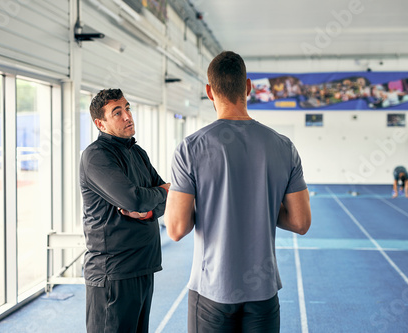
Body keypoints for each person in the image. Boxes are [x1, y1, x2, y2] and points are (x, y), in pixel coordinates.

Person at [164, 51, 311, 332]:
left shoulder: (190, 148)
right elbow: (300, 222)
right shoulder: (283, 146)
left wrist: (208, 201)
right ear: (248, 86)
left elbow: (176, 228)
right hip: (263, 291)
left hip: (212, 291)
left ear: (209, 91)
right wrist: (262, 202)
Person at [79, 88, 170, 332]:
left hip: (143, 266)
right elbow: (135, 199)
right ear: (101, 123)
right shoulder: (96, 157)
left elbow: (158, 202)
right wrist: (161, 193)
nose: (127, 116)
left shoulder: (137, 153)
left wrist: (150, 211)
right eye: (117, 112)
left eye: (127, 108)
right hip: (114, 273)